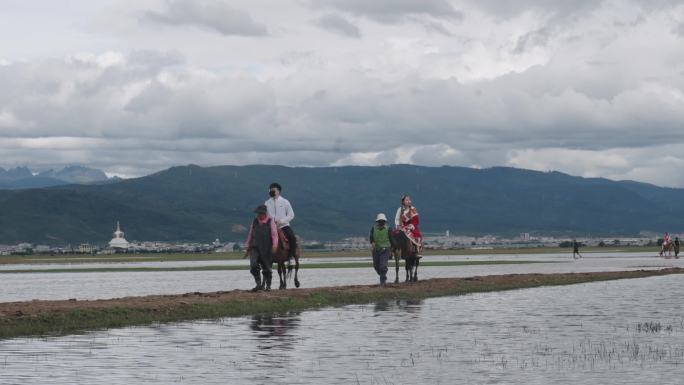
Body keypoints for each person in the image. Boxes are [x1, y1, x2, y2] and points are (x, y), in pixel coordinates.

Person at [244, 205, 278, 292]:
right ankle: (258, 284)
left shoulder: (271, 221)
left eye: (261, 213)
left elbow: (274, 235)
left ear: (265, 213)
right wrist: (248, 244)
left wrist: (274, 245)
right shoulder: (254, 221)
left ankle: (268, 286)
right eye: (258, 213)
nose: (259, 215)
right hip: (255, 247)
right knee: (253, 265)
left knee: (267, 267)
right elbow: (250, 234)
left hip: (266, 247)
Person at [265, 182, 297, 260]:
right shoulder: (267, 203)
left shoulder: (285, 202)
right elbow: (266, 216)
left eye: (273, 190)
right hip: (271, 227)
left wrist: (281, 221)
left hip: (283, 225)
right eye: (270, 190)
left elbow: (291, 215)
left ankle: (291, 256)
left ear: (278, 191)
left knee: (291, 236)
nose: (271, 192)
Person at [369, 213, 393, 286]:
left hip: (386, 249)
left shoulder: (389, 229)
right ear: (377, 221)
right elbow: (371, 238)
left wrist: (394, 248)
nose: (381, 222)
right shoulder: (373, 228)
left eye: (383, 221)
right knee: (376, 266)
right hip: (376, 249)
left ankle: (382, 283)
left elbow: (391, 239)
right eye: (380, 221)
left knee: (382, 266)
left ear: (385, 222)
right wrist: (372, 242)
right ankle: (383, 276)